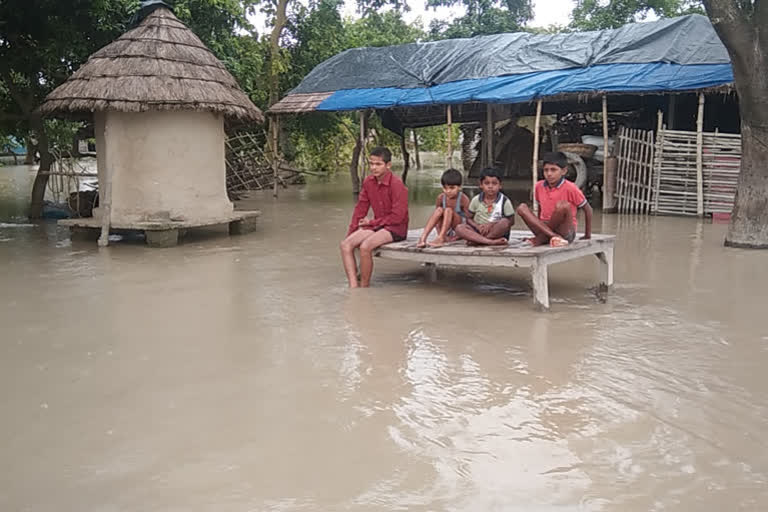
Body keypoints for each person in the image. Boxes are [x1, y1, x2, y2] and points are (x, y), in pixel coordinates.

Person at [340, 146, 409, 288]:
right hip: (377, 226)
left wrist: (372, 222)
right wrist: (351, 232)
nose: (373, 168)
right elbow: (360, 208)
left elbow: (398, 217)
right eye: (371, 163)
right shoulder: (368, 182)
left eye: (378, 164)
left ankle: (364, 286)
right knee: (345, 245)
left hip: (395, 228)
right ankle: (353, 286)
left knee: (366, 247)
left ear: (388, 165)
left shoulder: (397, 185)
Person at [516, 151, 592, 247]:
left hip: (565, 231)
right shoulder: (539, 186)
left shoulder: (571, 187)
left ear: (564, 171)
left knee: (562, 206)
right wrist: (539, 225)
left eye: (553, 170)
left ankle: (542, 238)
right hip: (545, 229)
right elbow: (541, 209)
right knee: (522, 208)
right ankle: (551, 236)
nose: (549, 174)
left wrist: (587, 234)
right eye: (546, 170)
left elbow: (588, 209)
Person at [454, 168, 515, 246]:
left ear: (500, 185)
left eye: (494, 183)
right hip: (478, 230)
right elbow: (468, 218)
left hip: (496, 233)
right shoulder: (476, 200)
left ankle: (478, 240)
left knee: (504, 222)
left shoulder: (504, 201)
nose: (490, 186)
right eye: (487, 183)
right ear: (481, 185)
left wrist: (491, 224)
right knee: (459, 228)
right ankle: (489, 242)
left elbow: (511, 222)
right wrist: (477, 226)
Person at [416, 168, 470, 248]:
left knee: (448, 210)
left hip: (457, 229)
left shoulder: (463, 199)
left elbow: (469, 219)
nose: (448, 191)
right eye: (445, 188)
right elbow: (437, 219)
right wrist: (438, 232)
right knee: (439, 210)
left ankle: (441, 238)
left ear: (459, 187)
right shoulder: (441, 198)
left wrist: (462, 235)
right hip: (445, 230)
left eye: (452, 188)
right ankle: (423, 237)